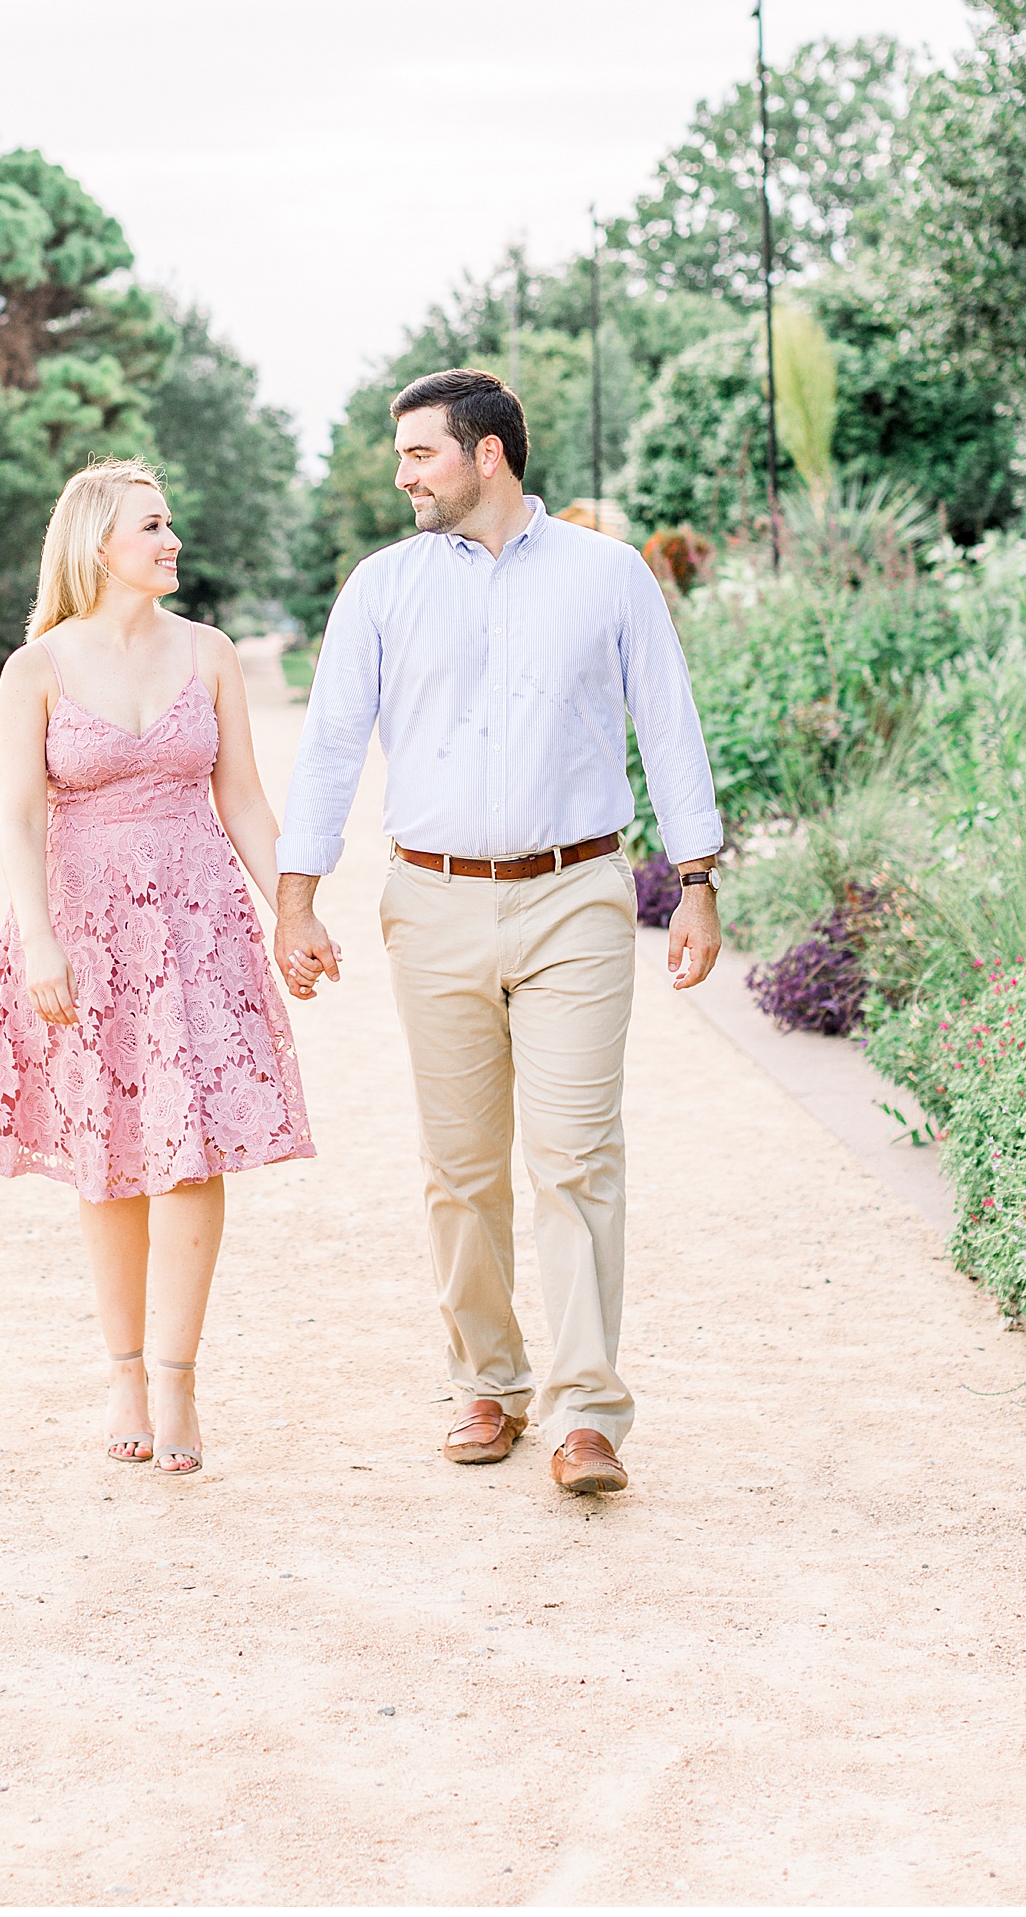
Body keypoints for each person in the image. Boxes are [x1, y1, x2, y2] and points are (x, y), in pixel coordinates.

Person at [273, 370, 723, 1497]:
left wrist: (700, 876)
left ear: (489, 454)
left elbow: (669, 722)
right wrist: (297, 894)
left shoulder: (608, 576)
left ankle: (584, 1411)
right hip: (431, 902)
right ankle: (489, 1380)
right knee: (462, 1167)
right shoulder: (380, 588)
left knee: (576, 1158)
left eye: (420, 451)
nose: (402, 471)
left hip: (576, 893)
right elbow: (330, 746)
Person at [0, 458, 315, 1475]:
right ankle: (125, 1373)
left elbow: (242, 798)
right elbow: (17, 813)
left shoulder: (211, 653)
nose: (172, 538)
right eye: (153, 524)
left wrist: (293, 909)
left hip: (198, 926)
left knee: (193, 1151)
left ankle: (182, 1378)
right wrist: (39, 939)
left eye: (170, 522)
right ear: (99, 543)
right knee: (109, 1152)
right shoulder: (40, 668)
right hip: (84, 928)